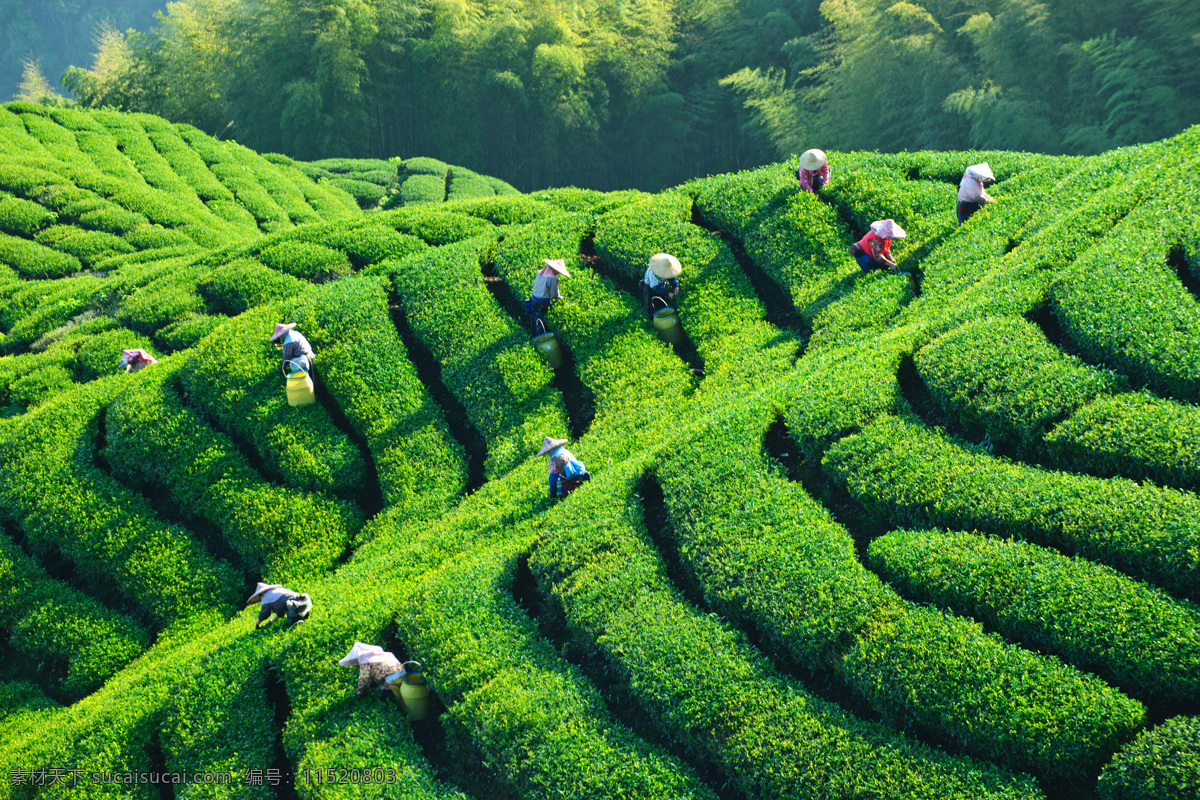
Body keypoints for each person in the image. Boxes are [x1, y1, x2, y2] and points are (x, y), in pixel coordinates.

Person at [339, 642, 405, 698]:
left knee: (385, 700)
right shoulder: (383, 655)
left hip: (391, 681)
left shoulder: (366, 662)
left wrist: (359, 694)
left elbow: (364, 679)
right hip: (404, 676)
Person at [526, 259, 570, 336]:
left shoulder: (539, 272)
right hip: (542, 303)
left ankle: (533, 339)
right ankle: (539, 343)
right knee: (540, 324)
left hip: (534, 299)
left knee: (535, 321)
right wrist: (559, 298)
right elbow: (554, 295)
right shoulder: (552, 278)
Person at [247, 582, 312, 629]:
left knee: (290, 608)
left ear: (260, 595)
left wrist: (257, 623)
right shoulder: (274, 592)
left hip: (285, 600)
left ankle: (296, 620)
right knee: (294, 605)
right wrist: (272, 620)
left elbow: (264, 613)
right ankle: (304, 614)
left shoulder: (265, 598)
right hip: (294, 595)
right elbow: (280, 610)